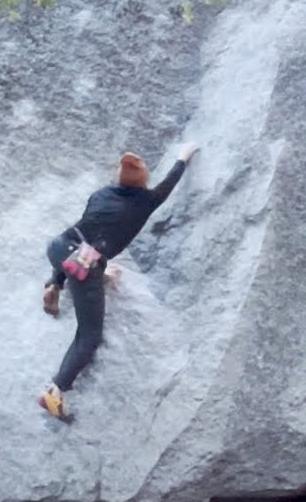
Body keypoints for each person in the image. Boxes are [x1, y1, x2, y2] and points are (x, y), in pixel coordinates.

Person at [39, 143, 198, 422]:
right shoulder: (146, 201)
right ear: (143, 181)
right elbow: (170, 182)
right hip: (82, 266)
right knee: (90, 336)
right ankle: (56, 392)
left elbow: (91, 237)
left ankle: (54, 285)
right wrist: (184, 156)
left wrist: (100, 271)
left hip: (58, 247)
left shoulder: (101, 194)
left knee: (76, 255)